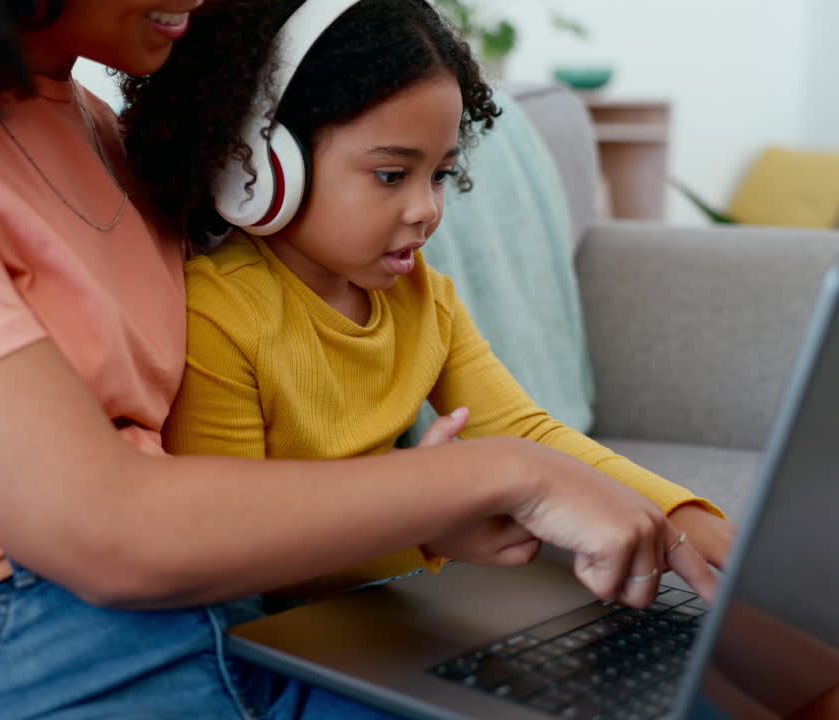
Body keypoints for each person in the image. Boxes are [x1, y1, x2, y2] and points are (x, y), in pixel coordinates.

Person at [0, 0, 729, 717]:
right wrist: (489, 476)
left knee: (719, 686)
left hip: (243, 630)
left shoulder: (105, 134)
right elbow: (101, 531)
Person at [122, 0, 736, 604]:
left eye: (440, 174)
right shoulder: (218, 315)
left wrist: (682, 513)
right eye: (392, 175)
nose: (427, 210)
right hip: (287, 632)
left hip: (398, 604)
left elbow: (524, 429)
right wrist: (422, 531)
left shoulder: (422, 295)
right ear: (259, 166)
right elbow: (233, 555)